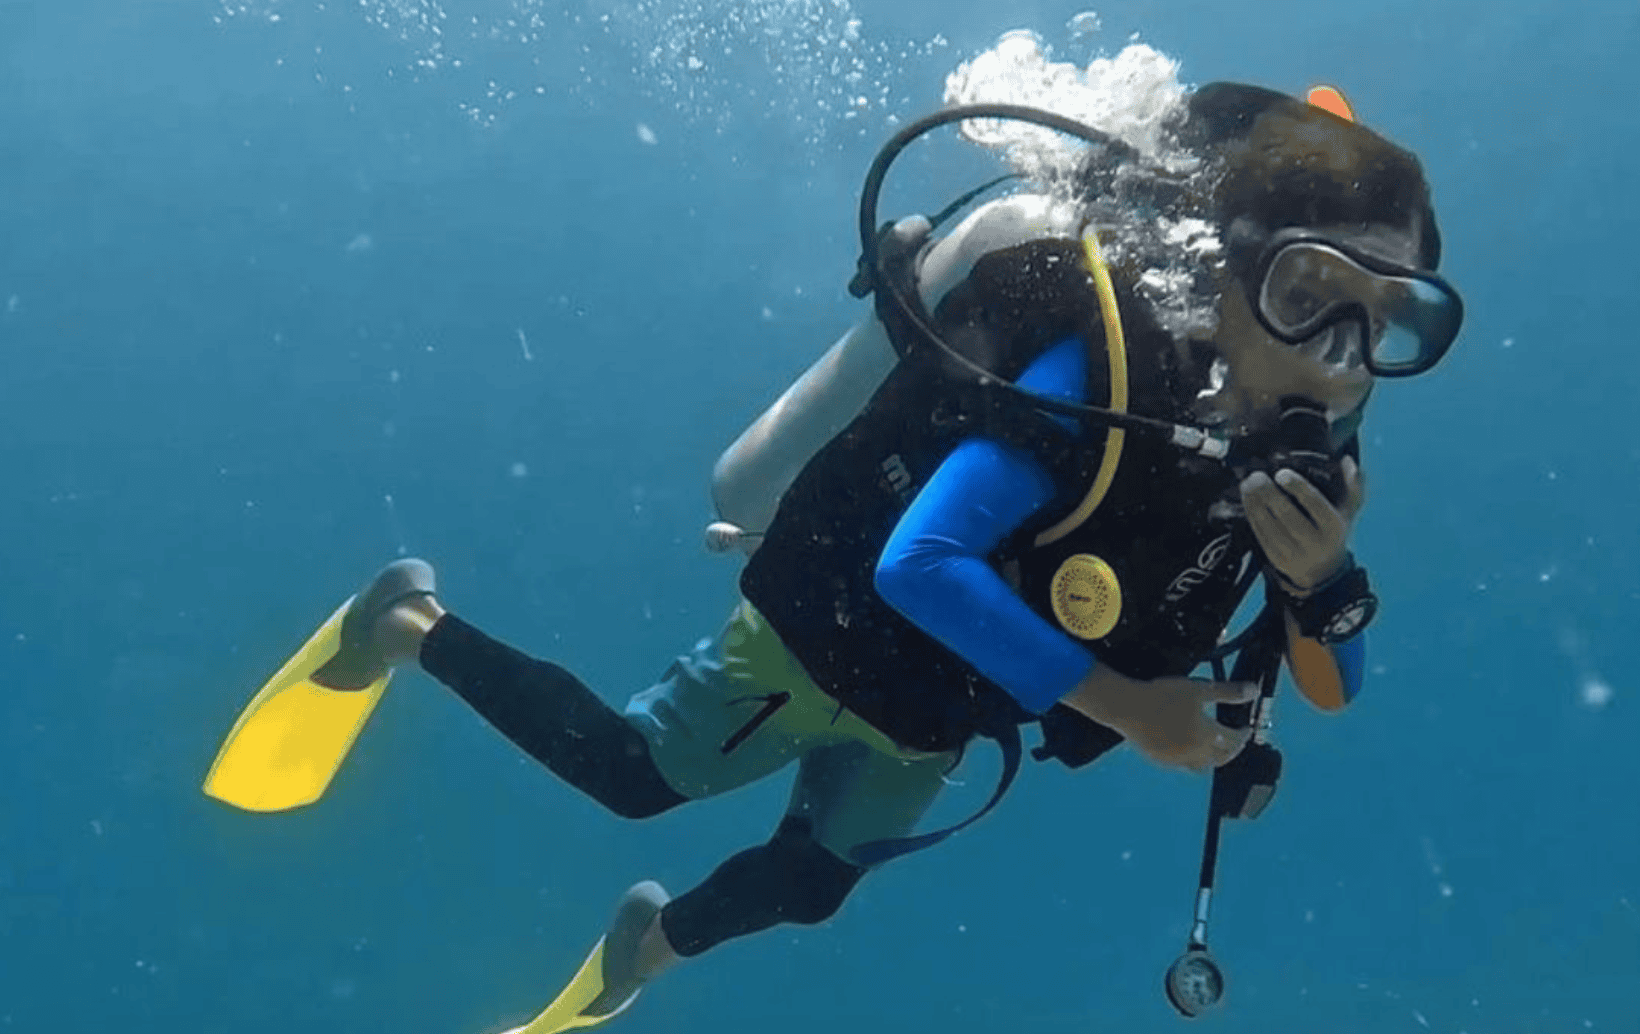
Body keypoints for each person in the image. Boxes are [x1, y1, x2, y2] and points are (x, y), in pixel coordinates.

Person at [204, 81, 1462, 1031]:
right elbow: (920, 562)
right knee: (630, 775)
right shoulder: (1097, 372)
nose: (1342, 355)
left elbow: (1326, 685)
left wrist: (1320, 580)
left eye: (1389, 318)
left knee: (809, 883)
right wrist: (1128, 705)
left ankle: (644, 947)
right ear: (1223, 268)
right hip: (823, 633)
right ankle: (402, 619)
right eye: (1310, 294)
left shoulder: (1304, 464)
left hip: (944, 709)